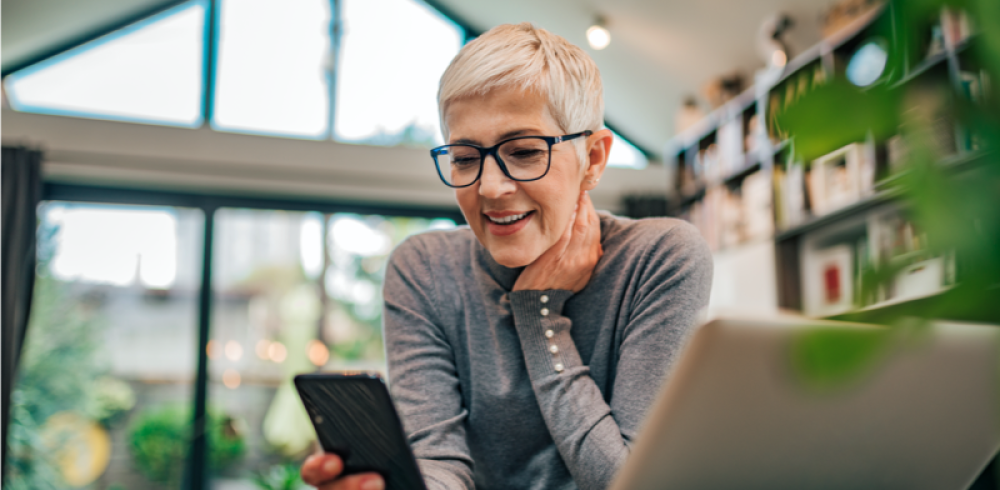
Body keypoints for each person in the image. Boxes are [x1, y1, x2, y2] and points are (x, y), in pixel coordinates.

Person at [301, 22, 712, 490]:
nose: (491, 188)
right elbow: (440, 465)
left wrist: (538, 316)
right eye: (464, 158)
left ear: (593, 159)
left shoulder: (659, 258)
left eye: (522, 151)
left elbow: (627, 482)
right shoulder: (424, 270)